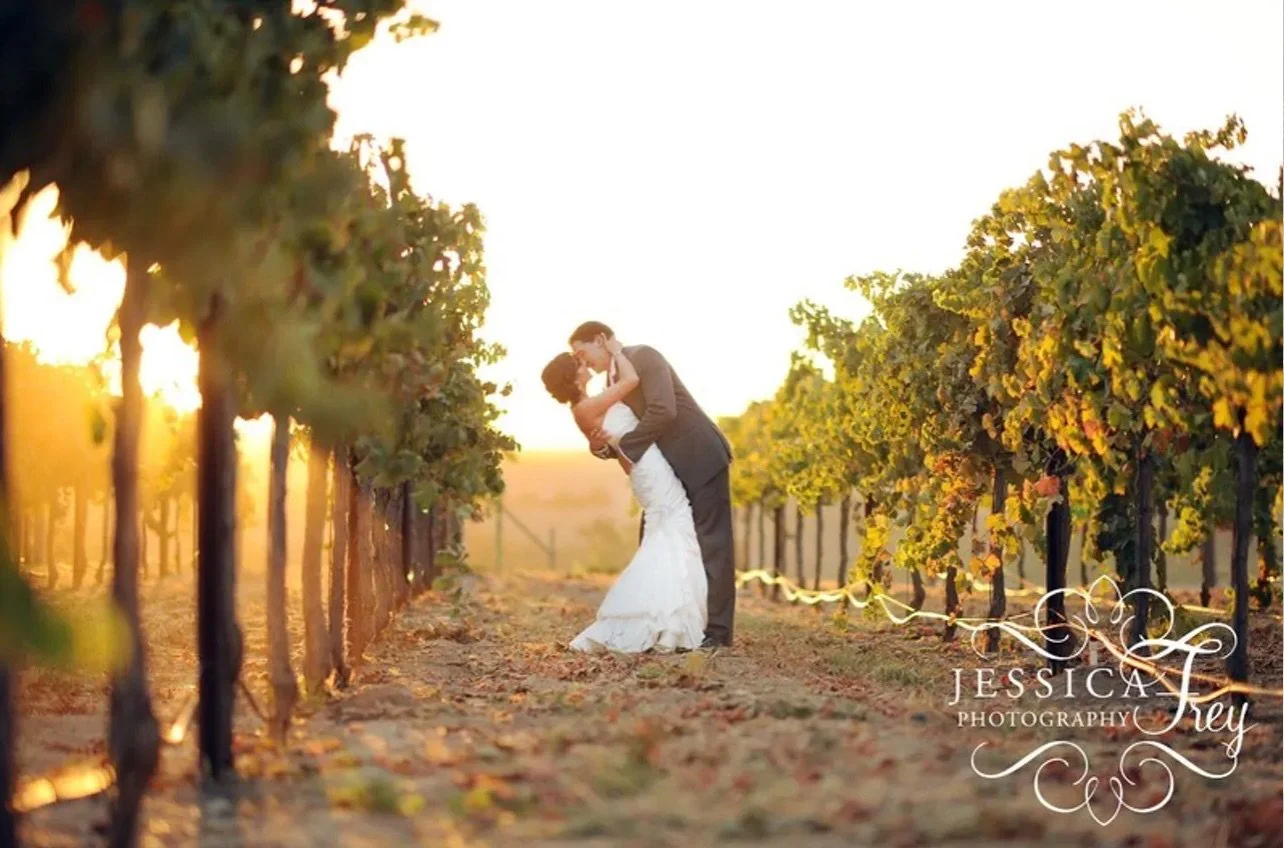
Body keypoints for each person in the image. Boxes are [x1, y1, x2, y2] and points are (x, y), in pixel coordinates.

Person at [569, 320, 735, 649]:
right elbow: (613, 437)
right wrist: (602, 447)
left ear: (601, 339)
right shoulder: (612, 378)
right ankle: (664, 620)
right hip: (666, 473)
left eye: (582, 352)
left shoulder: (643, 356)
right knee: (657, 540)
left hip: (699, 456)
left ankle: (717, 633)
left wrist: (628, 449)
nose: (581, 362)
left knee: (712, 545)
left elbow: (663, 410)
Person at [541, 336, 707, 652]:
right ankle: (668, 624)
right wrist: (616, 351)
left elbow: (608, 444)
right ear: (573, 376)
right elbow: (631, 380)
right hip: (649, 467)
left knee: (668, 530)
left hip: (645, 467)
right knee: (675, 525)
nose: (586, 365)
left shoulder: (585, 406)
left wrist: (603, 446)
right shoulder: (588, 406)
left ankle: (669, 623)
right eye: (579, 364)